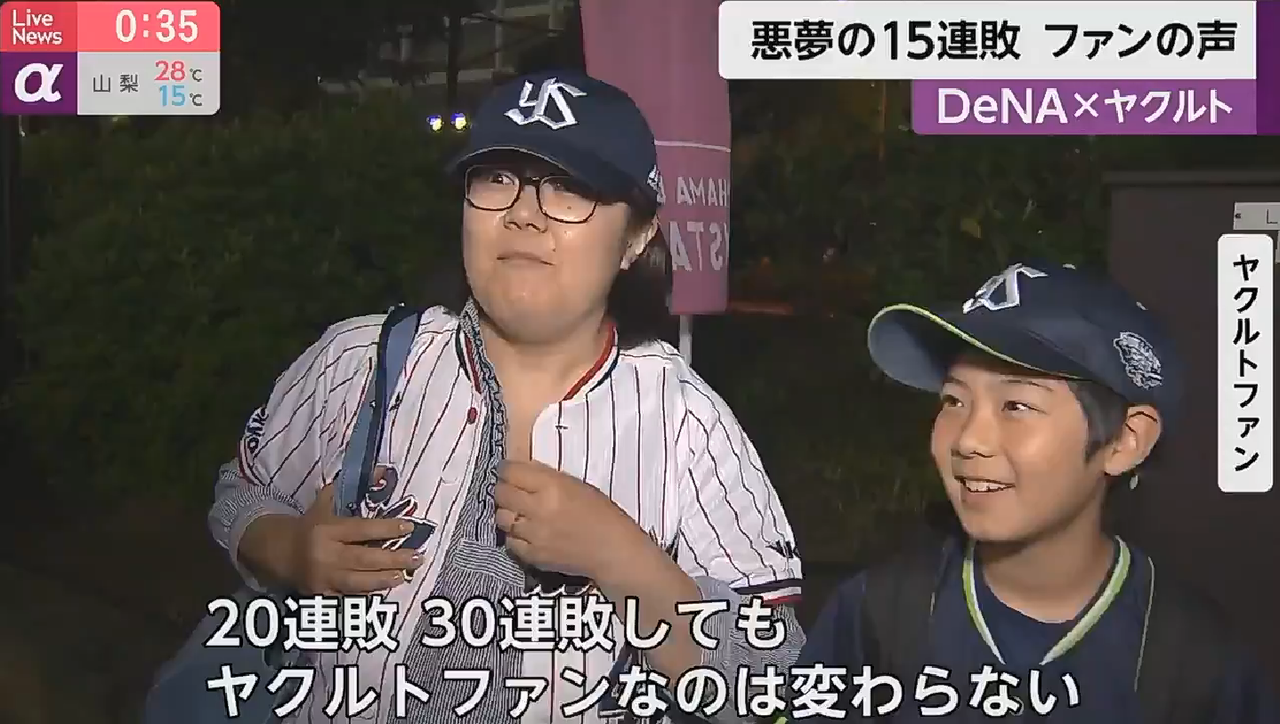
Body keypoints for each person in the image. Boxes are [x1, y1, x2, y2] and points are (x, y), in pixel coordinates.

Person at [208, 70, 804, 724]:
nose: (524, 213)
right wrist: (290, 550)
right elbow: (241, 491)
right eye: (497, 178)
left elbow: (769, 678)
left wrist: (624, 560)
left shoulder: (688, 422)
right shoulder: (361, 360)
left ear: (635, 238)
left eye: (570, 187)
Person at [783, 262, 1276, 722]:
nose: (969, 440)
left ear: (1126, 441)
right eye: (954, 400)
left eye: (1016, 405)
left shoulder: (1195, 661)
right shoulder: (876, 616)